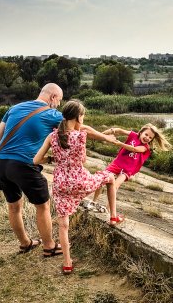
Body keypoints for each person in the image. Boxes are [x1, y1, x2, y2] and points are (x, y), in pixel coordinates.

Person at [33, 99, 116, 274]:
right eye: (83, 116)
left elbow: (36, 160)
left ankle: (67, 262)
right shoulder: (80, 135)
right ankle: (113, 217)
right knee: (109, 177)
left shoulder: (52, 136)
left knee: (63, 225)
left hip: (61, 184)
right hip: (80, 181)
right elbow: (83, 159)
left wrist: (53, 159)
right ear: (78, 117)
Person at [0, 83, 65, 256]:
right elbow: (74, 128)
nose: (59, 105)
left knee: (14, 206)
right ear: (53, 97)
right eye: (60, 101)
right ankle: (49, 246)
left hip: (0, 163)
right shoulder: (53, 114)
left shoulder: (13, 108)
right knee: (43, 205)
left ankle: (25, 243)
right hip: (24, 165)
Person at [89, 123, 172, 226]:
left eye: (150, 138)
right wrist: (105, 133)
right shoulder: (133, 135)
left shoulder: (145, 147)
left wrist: (120, 144)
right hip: (117, 163)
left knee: (114, 186)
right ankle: (93, 202)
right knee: (101, 178)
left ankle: (108, 209)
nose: (147, 138)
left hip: (127, 169)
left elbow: (135, 149)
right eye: (146, 134)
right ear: (141, 132)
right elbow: (119, 130)